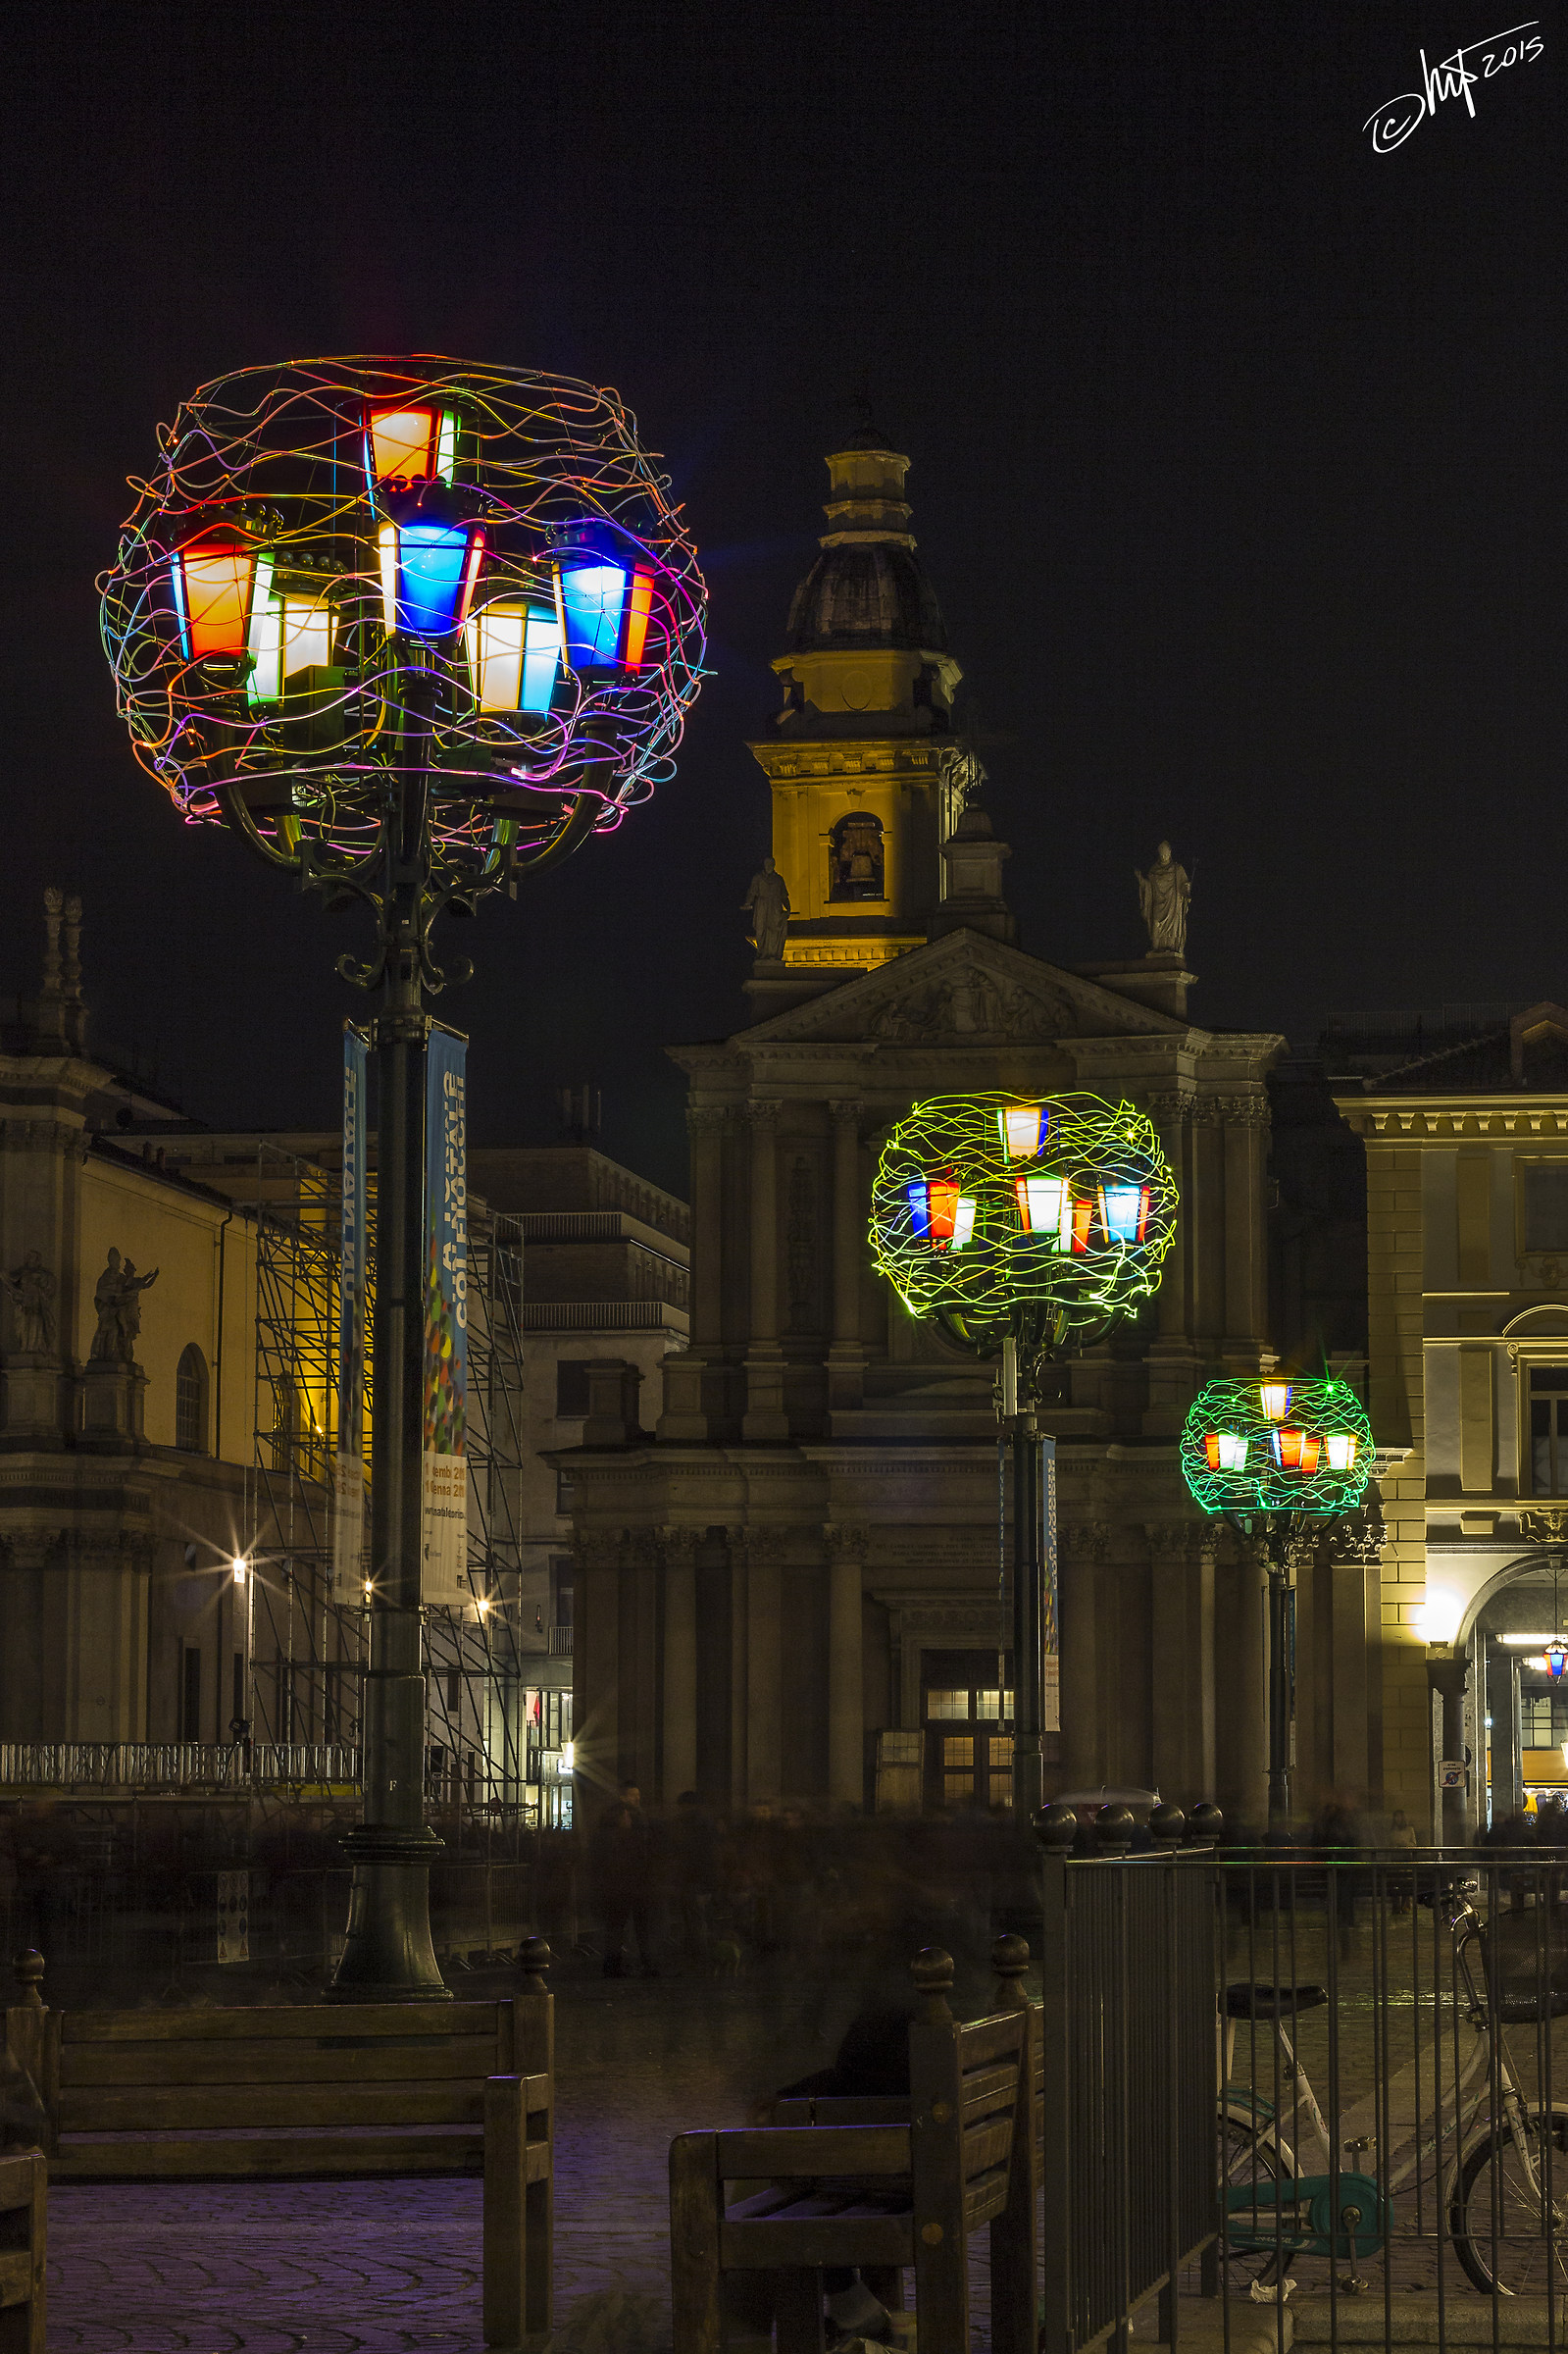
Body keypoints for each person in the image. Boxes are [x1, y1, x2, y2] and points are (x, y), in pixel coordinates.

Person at [591, 1780, 658, 1977]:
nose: (637, 1799)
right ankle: (620, 1965)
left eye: (638, 1795)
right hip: (626, 1882)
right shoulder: (623, 1820)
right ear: (623, 1797)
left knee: (625, 1927)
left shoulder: (634, 1818)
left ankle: (621, 1964)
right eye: (633, 1795)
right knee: (625, 1927)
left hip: (629, 1882)